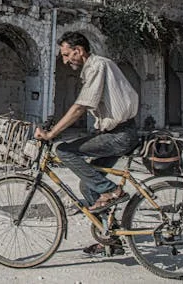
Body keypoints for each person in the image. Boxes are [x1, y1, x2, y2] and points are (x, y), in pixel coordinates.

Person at [35, 31, 139, 256]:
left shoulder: (97, 66)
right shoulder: (95, 68)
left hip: (120, 135)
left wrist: (52, 133)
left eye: (66, 55)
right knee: (88, 183)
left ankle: (111, 191)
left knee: (63, 150)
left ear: (78, 51)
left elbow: (81, 106)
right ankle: (110, 240)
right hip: (119, 132)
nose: (64, 61)